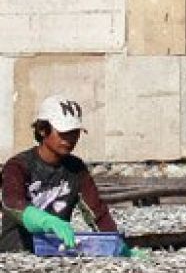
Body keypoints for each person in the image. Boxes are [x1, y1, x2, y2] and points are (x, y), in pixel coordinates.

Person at [0, 95, 141, 256]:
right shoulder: (18, 165)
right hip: (16, 252)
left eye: (74, 132)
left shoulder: (76, 168)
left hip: (56, 252)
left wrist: (118, 246)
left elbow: (98, 213)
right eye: (63, 132)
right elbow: (11, 202)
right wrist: (45, 221)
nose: (70, 139)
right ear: (42, 130)